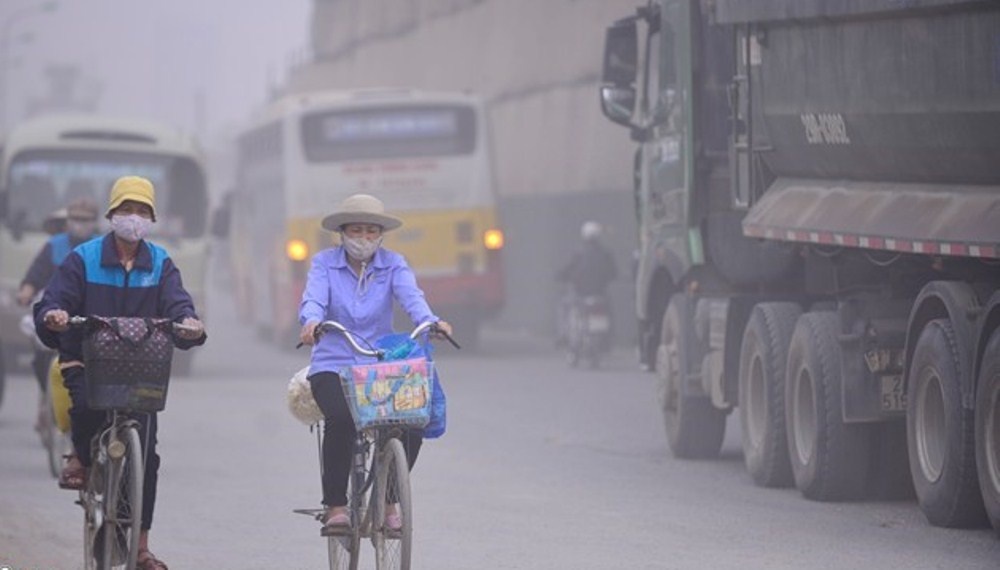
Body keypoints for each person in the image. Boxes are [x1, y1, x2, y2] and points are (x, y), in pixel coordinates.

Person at [34, 176, 206, 570]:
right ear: (112, 214)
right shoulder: (83, 258)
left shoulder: (160, 262)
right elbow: (54, 300)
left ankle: (140, 546)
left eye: (142, 211)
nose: (134, 217)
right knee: (86, 409)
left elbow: (178, 303)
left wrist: (189, 322)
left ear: (152, 219)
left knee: (145, 454)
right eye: (127, 209)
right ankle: (81, 457)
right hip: (86, 360)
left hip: (142, 368)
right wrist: (54, 315)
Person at [298, 193, 452, 535]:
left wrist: (431, 322)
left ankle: (389, 500)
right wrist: (311, 322)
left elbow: (412, 298)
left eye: (371, 231)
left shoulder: (394, 264)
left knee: (412, 423)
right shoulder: (324, 264)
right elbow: (314, 299)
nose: (364, 238)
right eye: (356, 230)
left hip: (378, 365)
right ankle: (336, 506)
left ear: (381, 235)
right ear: (342, 233)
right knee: (341, 420)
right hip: (333, 363)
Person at [18, 199, 101, 430]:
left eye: (85, 219)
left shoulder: (101, 247)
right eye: (75, 219)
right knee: (41, 351)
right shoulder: (54, 245)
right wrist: (26, 292)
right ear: (67, 221)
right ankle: (46, 399)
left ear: (94, 222)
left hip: (88, 311)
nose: (79, 224)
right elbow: (36, 274)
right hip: (55, 306)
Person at [556, 221, 618, 342]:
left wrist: (560, 276)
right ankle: (609, 337)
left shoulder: (578, 253)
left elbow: (568, 269)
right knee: (609, 311)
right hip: (600, 293)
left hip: (580, 293)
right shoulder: (606, 253)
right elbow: (614, 272)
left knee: (564, 307)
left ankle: (564, 335)